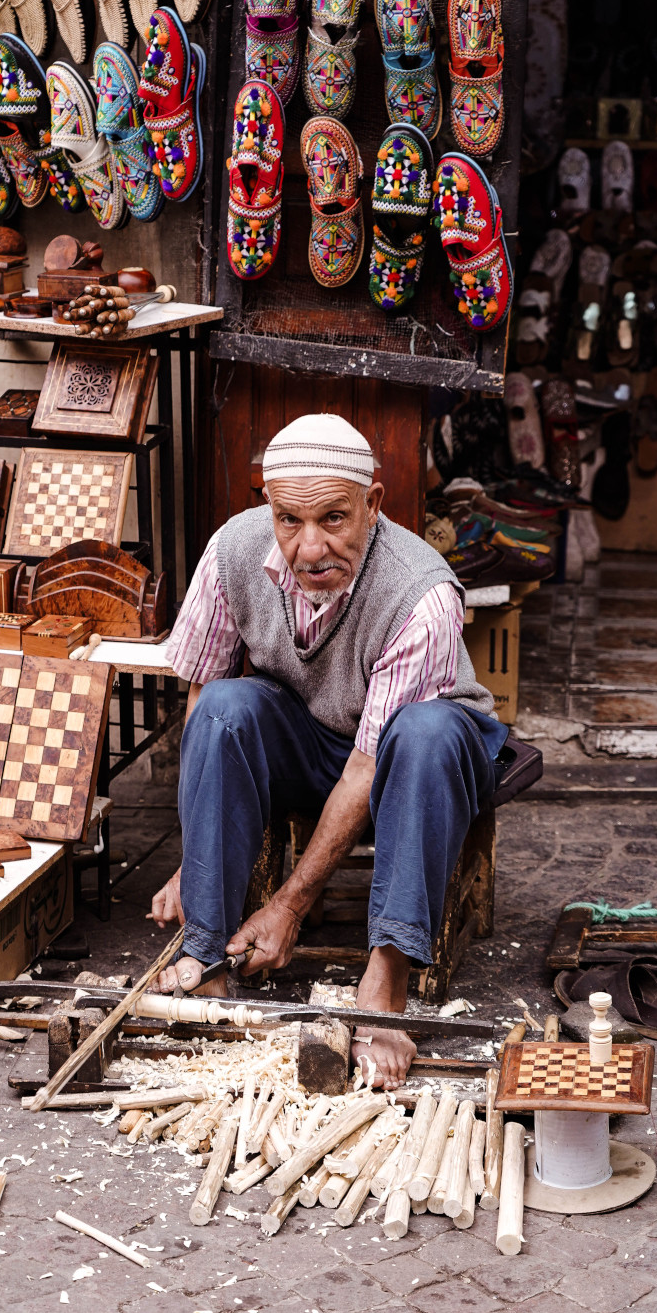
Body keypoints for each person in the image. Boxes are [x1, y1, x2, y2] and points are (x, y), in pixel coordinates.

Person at [150, 413, 508, 1087]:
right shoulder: (233, 552)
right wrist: (194, 855)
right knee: (227, 707)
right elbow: (204, 702)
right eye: (289, 520)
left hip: (417, 764)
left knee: (426, 731)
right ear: (268, 505)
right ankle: (207, 961)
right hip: (313, 740)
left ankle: (387, 979)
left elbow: (370, 766)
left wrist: (289, 903)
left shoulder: (419, 593)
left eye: (334, 519)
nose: (310, 548)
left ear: (374, 504)